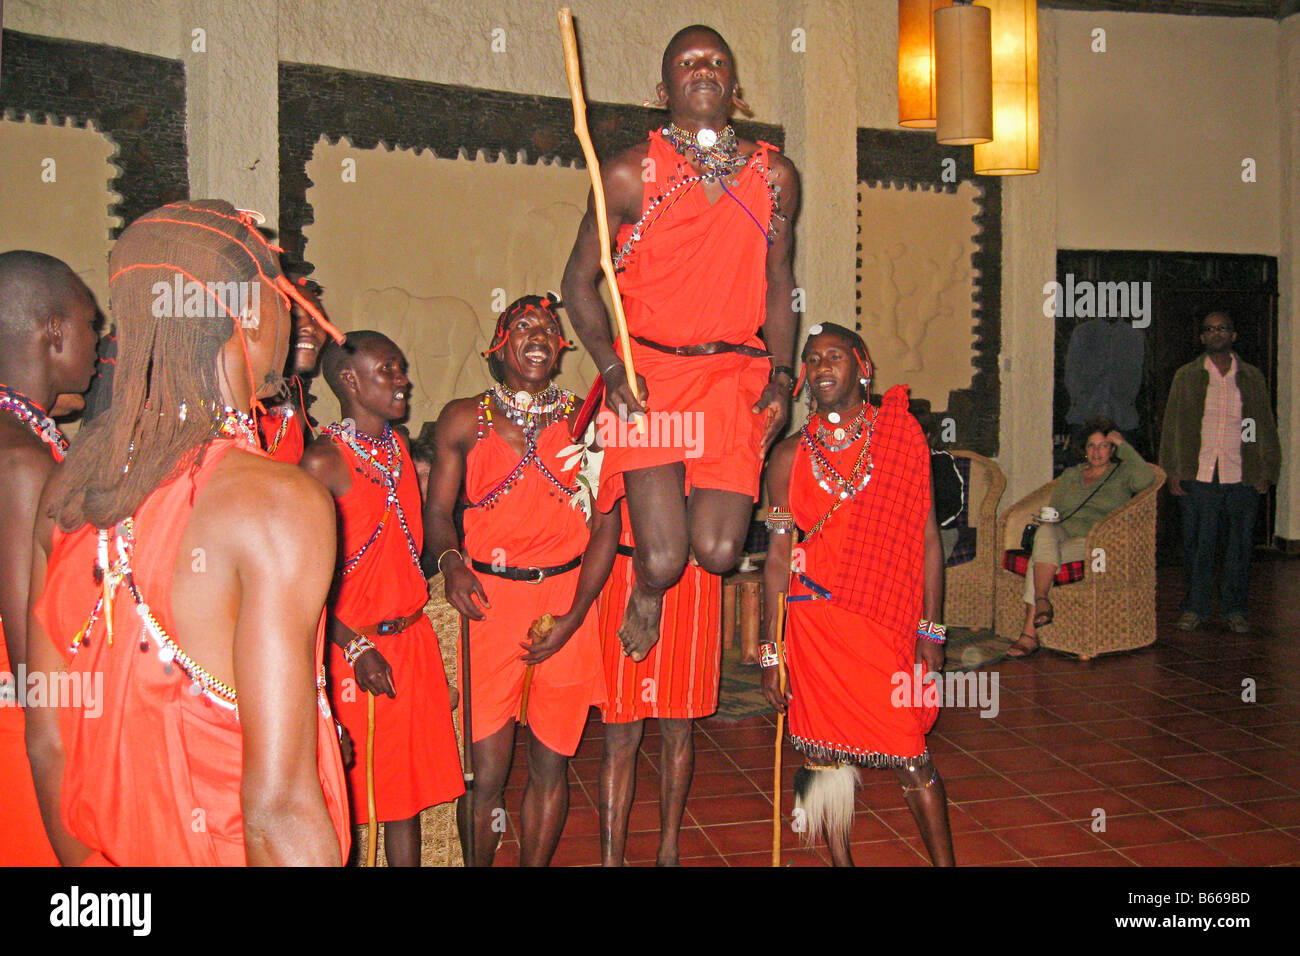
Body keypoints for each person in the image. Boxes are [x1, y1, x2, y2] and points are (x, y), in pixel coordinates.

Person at [26, 200, 351, 865]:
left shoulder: (68, 493)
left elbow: (50, 739)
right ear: (251, 312)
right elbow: (278, 810)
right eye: (280, 291)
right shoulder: (277, 503)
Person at [561, 24, 800, 662]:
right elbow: (577, 285)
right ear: (662, 88)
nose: (704, 68)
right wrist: (612, 371)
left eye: (717, 60)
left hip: (732, 378)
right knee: (665, 560)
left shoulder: (773, 175)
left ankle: (679, 550)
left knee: (719, 553)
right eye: (688, 62)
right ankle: (647, 589)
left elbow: (780, 283)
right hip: (649, 377)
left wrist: (781, 378)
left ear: (735, 86)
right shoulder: (625, 173)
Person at [425, 294, 615, 866]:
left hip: (568, 598)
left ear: (560, 349)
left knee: (552, 763)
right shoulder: (464, 417)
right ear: (499, 345)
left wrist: (577, 614)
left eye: (548, 328)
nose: (537, 334)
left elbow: (607, 522)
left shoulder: (588, 420)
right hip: (490, 601)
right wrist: (451, 562)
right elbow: (437, 512)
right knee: (486, 774)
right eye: (523, 325)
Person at [761, 323, 953, 867]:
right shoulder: (788, 456)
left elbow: (928, 538)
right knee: (820, 756)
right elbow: (778, 559)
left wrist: (931, 630)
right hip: (813, 627)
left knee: (911, 754)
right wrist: (770, 654)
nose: (822, 366)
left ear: (863, 366)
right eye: (812, 359)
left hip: (885, 624)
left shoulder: (901, 435)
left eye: (835, 356)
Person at [301, 331, 464, 866]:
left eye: (401, 369)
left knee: (406, 801)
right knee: (346, 799)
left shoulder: (395, 448)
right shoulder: (323, 463)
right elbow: (300, 584)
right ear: (350, 381)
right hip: (355, 653)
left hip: (409, 643)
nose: (404, 380)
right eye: (389, 371)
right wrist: (351, 648)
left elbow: (414, 546)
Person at [0, 251, 98, 866]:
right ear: (54, 331)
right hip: (26, 740)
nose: (100, 339)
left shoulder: (25, 442)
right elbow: (29, 657)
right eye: (92, 322)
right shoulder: (21, 462)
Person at [596, 498, 722, 867]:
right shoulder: (614, 438)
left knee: (678, 724)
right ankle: (610, 859)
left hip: (691, 577)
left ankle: (669, 849)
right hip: (623, 569)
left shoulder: (707, 439)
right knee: (619, 733)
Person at [1159, 311, 1281, 634]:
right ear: (1202, 338)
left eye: (1223, 328)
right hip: (1198, 474)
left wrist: (1264, 466)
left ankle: (1234, 609)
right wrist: (1172, 470)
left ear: (1234, 335)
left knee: (1239, 546)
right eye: (1210, 330)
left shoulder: (1251, 377)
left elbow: (1260, 425)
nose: (1216, 334)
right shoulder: (1187, 375)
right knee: (1199, 545)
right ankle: (1195, 608)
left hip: (1240, 475)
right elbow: (1172, 425)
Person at [1008, 417, 1156, 658]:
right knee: (1045, 532)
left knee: (1039, 558)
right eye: (1091, 446)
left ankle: (1029, 633)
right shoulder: (1071, 474)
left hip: (1097, 541)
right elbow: (1056, 509)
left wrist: (1124, 445)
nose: (1097, 452)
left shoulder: (1123, 473)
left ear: (1112, 449)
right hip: (1063, 533)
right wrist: (1049, 518)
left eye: (1103, 445)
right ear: (1084, 449)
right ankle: (1042, 601)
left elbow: (1147, 479)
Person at [258, 275, 328, 463]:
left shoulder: (294, 389)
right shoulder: (240, 397)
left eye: (316, 317)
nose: (311, 328)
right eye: (294, 315)